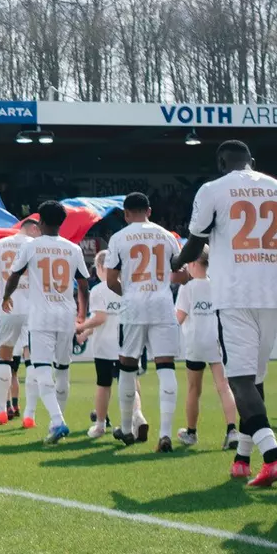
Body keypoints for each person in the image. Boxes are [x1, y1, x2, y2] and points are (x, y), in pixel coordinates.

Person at [179, 138, 277, 486]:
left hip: (234, 295)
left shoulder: (213, 189)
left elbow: (196, 241)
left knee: (240, 381)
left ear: (220, 162)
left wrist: (176, 261)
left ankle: (272, 456)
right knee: (255, 381)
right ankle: (243, 459)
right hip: (273, 293)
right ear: (252, 160)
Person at [3, 201, 91, 445]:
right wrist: (82, 314)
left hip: (41, 316)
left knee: (42, 368)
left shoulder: (31, 247)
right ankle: (56, 423)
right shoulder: (73, 249)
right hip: (65, 315)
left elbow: (14, 275)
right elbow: (84, 285)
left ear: (40, 222)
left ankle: (57, 420)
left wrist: (6, 296)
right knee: (63, 369)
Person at [104, 192, 182, 451]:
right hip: (162, 305)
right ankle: (166, 434)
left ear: (126, 214)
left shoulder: (119, 238)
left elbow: (111, 280)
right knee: (166, 366)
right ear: (149, 210)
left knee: (127, 364)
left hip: (134, 307)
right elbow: (180, 274)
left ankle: (126, 428)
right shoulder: (167, 235)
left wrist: (129, 294)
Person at [173, 248, 238, 452]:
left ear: (192, 264)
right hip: (216, 341)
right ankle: (232, 429)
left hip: (195, 343)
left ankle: (191, 432)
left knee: (194, 389)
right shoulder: (218, 285)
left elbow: (179, 318)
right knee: (223, 386)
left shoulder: (187, 288)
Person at [0, 218, 40, 421]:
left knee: (4, 358)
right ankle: (29, 416)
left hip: (8, 306)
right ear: (32, 228)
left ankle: (1, 412)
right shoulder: (35, 244)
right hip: (32, 308)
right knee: (30, 360)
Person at [79, 251, 140, 439]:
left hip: (105, 347)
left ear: (100, 267)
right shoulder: (128, 288)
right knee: (130, 383)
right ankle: (138, 418)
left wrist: (80, 327)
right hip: (127, 344)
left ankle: (100, 425)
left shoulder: (99, 290)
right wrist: (86, 333)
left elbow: (100, 318)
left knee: (103, 385)